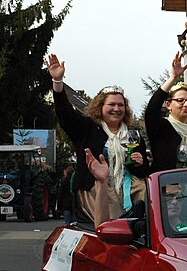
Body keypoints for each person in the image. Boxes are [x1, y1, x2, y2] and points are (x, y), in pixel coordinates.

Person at [46, 53, 150, 228]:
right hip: (95, 186)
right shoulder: (87, 128)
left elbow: (145, 170)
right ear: (100, 107)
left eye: (121, 105)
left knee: (150, 199)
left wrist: (139, 164)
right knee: (114, 219)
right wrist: (58, 82)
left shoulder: (132, 134)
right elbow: (65, 115)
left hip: (128, 184)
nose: (117, 109)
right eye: (112, 105)